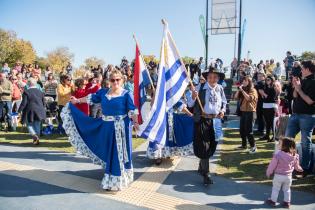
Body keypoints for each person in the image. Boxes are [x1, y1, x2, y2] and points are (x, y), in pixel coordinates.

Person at [62, 69, 139, 191]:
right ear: (109, 81)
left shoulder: (126, 94)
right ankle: (112, 176)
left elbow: (132, 110)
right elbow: (90, 98)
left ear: (122, 80)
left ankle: (115, 180)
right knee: (108, 151)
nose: (115, 82)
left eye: (118, 80)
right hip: (106, 128)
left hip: (121, 130)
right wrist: (76, 101)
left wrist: (135, 122)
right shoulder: (103, 93)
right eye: (112, 80)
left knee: (118, 153)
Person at [188, 69, 227, 185]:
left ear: (218, 78)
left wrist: (223, 111)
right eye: (210, 77)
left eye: (215, 77)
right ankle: (206, 174)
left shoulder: (220, 88)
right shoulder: (200, 87)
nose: (212, 79)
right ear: (207, 78)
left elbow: (224, 102)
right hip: (203, 120)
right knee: (204, 146)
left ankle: (201, 165)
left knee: (213, 144)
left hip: (216, 120)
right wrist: (194, 96)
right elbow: (190, 104)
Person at [285, 60, 315, 177]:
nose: (301, 70)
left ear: (307, 69)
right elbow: (294, 96)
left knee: (305, 142)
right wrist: (295, 86)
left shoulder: (314, 82)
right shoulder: (301, 80)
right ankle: (286, 164)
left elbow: (310, 101)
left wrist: (299, 89)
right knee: (287, 139)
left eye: (302, 68)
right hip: (295, 114)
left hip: (308, 116)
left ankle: (305, 169)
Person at [147, 97, 194, 165]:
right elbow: (152, 105)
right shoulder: (159, 91)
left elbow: (179, 104)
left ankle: (167, 153)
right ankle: (157, 156)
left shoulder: (172, 93)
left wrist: (189, 113)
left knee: (168, 137)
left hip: (170, 119)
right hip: (159, 119)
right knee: (158, 137)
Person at [266, 137, 303, 208]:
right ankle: (287, 202)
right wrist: (300, 169)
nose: (277, 144)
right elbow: (297, 166)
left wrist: (268, 172)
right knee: (287, 189)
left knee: (276, 188)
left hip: (278, 176)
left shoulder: (278, 155)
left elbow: (272, 165)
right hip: (288, 177)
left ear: (284, 146)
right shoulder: (294, 155)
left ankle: (273, 201)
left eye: (279, 143)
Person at [18, 77, 46, 145]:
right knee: (37, 124)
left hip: (30, 110)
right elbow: (44, 102)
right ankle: (36, 138)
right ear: (35, 84)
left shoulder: (26, 92)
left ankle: (34, 135)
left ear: (28, 84)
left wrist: (19, 110)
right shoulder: (41, 92)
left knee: (29, 125)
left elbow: (24, 103)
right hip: (40, 110)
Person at [234, 76, 258, 153]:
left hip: (251, 112)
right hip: (243, 112)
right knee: (242, 130)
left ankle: (253, 146)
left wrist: (242, 91)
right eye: (242, 81)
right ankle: (244, 145)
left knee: (249, 131)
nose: (243, 82)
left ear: (249, 82)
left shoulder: (253, 90)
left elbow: (249, 98)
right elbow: (235, 97)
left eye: (245, 81)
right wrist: (239, 90)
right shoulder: (243, 90)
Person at [258, 75, 279, 142]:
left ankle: (274, 136)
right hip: (265, 106)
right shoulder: (265, 87)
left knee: (272, 122)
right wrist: (263, 94)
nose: (267, 81)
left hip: (271, 106)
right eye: (266, 80)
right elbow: (264, 97)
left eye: (268, 80)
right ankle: (267, 135)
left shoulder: (273, 88)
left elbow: (271, 98)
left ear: (272, 81)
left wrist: (263, 94)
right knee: (267, 122)